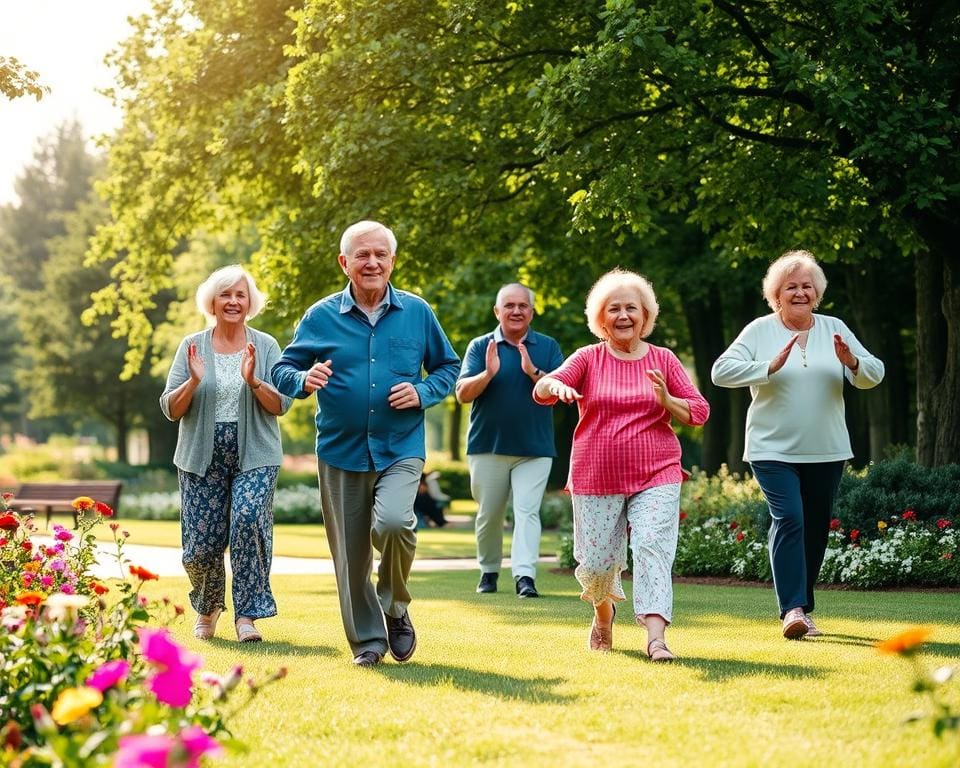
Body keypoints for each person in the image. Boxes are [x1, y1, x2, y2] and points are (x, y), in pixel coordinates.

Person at [271, 220, 460, 667]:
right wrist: (302, 378)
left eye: (380, 254)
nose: (372, 262)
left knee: (395, 523)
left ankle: (395, 608)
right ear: (345, 263)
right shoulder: (320, 316)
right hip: (341, 449)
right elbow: (282, 368)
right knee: (351, 557)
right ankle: (368, 642)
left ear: (392, 261)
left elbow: (448, 368)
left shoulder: (417, 312)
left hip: (400, 446)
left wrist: (424, 392)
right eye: (362, 255)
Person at [533, 269, 709, 660]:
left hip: (657, 471)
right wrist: (554, 385)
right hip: (596, 475)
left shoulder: (663, 359)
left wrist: (667, 402)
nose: (624, 315)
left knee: (651, 547)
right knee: (596, 563)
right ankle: (603, 612)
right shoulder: (588, 358)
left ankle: (656, 637)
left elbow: (698, 411)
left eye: (632, 307)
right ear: (601, 318)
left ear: (645, 315)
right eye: (614, 309)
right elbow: (543, 389)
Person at [711, 250, 884, 639]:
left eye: (807, 286)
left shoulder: (833, 327)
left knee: (815, 527)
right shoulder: (759, 330)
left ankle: (803, 608)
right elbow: (720, 372)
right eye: (791, 287)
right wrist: (765, 368)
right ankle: (791, 610)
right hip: (771, 449)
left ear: (817, 293)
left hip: (827, 448)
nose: (800, 292)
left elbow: (875, 373)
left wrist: (853, 362)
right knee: (790, 517)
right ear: (776, 294)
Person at [160, 265, 291, 643]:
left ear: (250, 302)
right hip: (200, 453)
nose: (233, 301)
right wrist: (194, 380)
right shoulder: (192, 345)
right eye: (225, 294)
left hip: (256, 452)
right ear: (212, 301)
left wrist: (253, 381)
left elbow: (281, 404)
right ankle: (208, 605)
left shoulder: (265, 346)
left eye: (240, 295)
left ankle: (247, 616)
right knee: (201, 544)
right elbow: (171, 408)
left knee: (249, 521)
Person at [456, 283, 565, 598]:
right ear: (497, 311)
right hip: (487, 447)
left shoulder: (547, 346)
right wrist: (487, 374)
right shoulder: (480, 346)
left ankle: (525, 577)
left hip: (535, 449)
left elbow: (559, 393)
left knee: (527, 511)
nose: (516, 311)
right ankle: (489, 570)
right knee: (489, 513)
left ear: (531, 311)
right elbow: (462, 394)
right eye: (509, 306)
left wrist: (534, 372)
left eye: (523, 306)